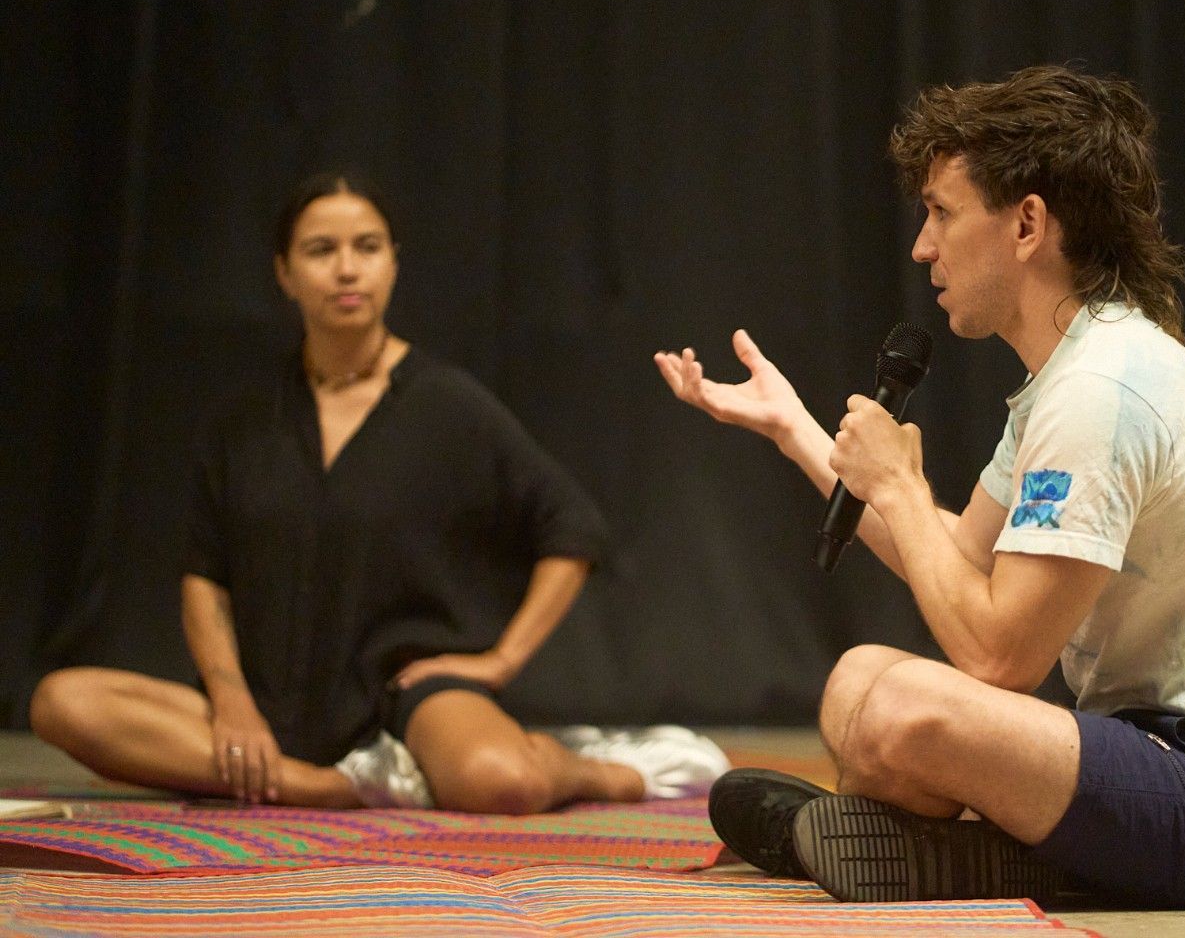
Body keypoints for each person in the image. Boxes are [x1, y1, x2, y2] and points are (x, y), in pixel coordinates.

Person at [655, 66, 1185, 907]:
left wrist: (900, 487)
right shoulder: (1072, 374)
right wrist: (794, 428)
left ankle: (992, 857)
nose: (923, 247)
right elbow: (957, 558)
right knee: (857, 683)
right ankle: (984, 856)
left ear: (1026, 225)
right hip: (1160, 759)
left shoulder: (1101, 390)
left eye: (943, 213)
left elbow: (998, 659)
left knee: (900, 708)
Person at [31, 173, 727, 812]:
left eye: (367, 247)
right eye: (320, 250)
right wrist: (231, 699)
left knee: (501, 781)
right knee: (63, 703)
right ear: (284, 273)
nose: (346, 268)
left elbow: (572, 525)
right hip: (271, 698)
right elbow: (204, 578)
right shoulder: (244, 422)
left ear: (393, 263)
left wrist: (501, 661)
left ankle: (590, 764)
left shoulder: (449, 406)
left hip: (407, 695)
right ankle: (327, 786)